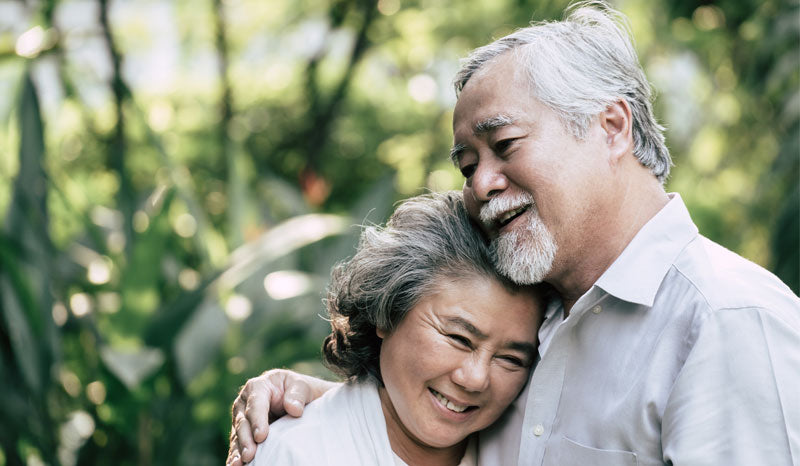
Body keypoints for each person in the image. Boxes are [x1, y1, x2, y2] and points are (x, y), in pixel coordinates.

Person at [229, 2, 800, 465]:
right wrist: (323, 411)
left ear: (611, 128)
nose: (481, 183)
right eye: (467, 165)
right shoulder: (536, 308)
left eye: (503, 146)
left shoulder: (726, 321)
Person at [248, 191, 547, 465]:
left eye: (510, 359)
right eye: (459, 338)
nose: (476, 379)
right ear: (386, 313)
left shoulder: (529, 448)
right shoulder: (297, 453)